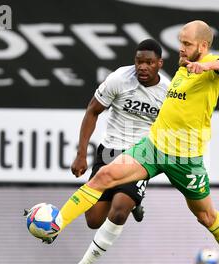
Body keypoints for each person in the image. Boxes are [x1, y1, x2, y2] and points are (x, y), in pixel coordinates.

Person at [49, 20, 219, 264]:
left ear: (203, 46)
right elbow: (187, 95)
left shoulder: (209, 64)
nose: (181, 48)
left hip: (185, 159)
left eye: (187, 44)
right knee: (104, 176)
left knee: (205, 216)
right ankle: (54, 225)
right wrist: (213, 85)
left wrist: (212, 70)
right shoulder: (184, 68)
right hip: (153, 147)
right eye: (180, 42)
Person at [70, 39, 170, 233]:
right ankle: (134, 201)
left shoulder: (168, 91)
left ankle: (131, 200)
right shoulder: (119, 79)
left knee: (118, 212)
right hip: (110, 151)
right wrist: (81, 154)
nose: (142, 67)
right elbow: (92, 111)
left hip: (140, 155)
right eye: (138, 61)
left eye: (149, 63)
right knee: (93, 220)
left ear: (159, 63)